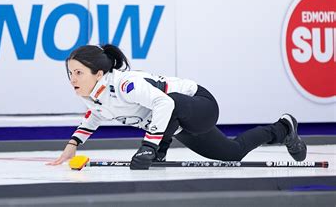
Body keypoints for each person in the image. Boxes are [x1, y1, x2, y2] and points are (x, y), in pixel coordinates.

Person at [47, 44, 307, 170]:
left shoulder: (127, 85)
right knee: (232, 153)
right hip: (177, 121)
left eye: (78, 73)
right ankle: (283, 128)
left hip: (200, 105)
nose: (73, 79)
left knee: (166, 104)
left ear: (99, 72)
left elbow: (165, 103)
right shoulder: (92, 95)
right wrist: (72, 147)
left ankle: (160, 146)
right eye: (70, 73)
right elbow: (94, 116)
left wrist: (150, 147)